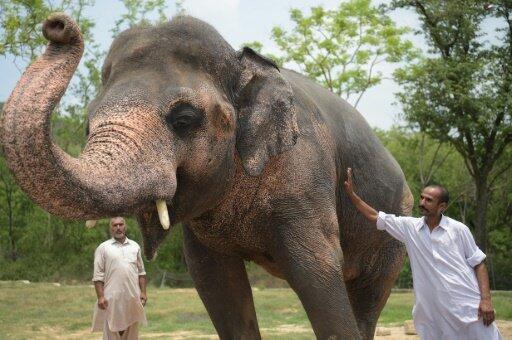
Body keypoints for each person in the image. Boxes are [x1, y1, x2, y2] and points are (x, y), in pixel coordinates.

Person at [343, 168, 502, 340]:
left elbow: (479, 263)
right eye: (422, 197)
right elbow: (375, 216)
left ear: (442, 206)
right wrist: (352, 194)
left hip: (468, 308)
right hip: (433, 315)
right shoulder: (410, 228)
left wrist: (486, 300)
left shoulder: (458, 230)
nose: (422, 202)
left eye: (429, 200)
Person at [91, 217, 148, 340]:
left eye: (120, 224)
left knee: (132, 334)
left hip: (132, 297)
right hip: (111, 299)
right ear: (110, 228)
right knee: (111, 333)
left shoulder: (135, 246)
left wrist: (143, 292)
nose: (118, 227)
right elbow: (97, 276)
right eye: (114, 225)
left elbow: (141, 273)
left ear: (125, 226)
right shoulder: (103, 248)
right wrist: (100, 296)